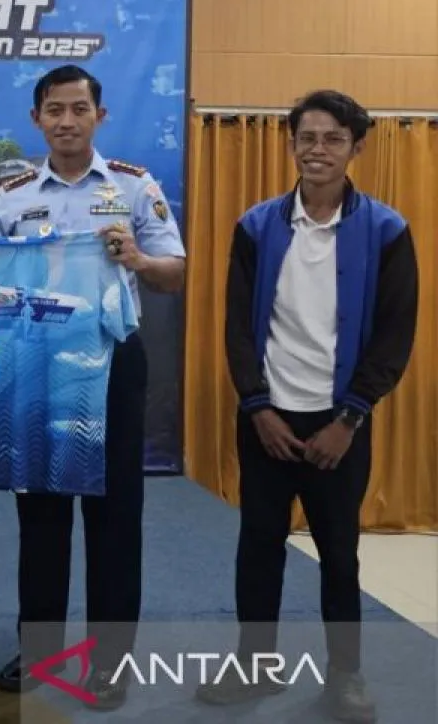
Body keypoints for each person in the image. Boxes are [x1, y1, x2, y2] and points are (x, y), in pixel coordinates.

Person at [0, 64, 186, 710]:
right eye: (54, 110)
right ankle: (39, 652)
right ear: (36, 119)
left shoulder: (133, 186)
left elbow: (174, 272)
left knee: (114, 517)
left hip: (111, 362)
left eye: (78, 109)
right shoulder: (11, 197)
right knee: (40, 515)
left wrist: (138, 260)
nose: (67, 121)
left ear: (100, 116)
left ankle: (109, 663)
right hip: (32, 362)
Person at [197, 90, 418, 723]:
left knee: (339, 554)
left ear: (356, 147)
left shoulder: (386, 231)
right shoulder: (256, 226)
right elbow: (237, 327)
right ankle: (254, 666)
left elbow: (395, 334)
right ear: (291, 143)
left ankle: (345, 677)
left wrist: (350, 417)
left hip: (339, 425)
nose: (318, 150)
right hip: (267, 418)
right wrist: (257, 406)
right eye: (307, 138)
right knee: (258, 546)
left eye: (333, 139)